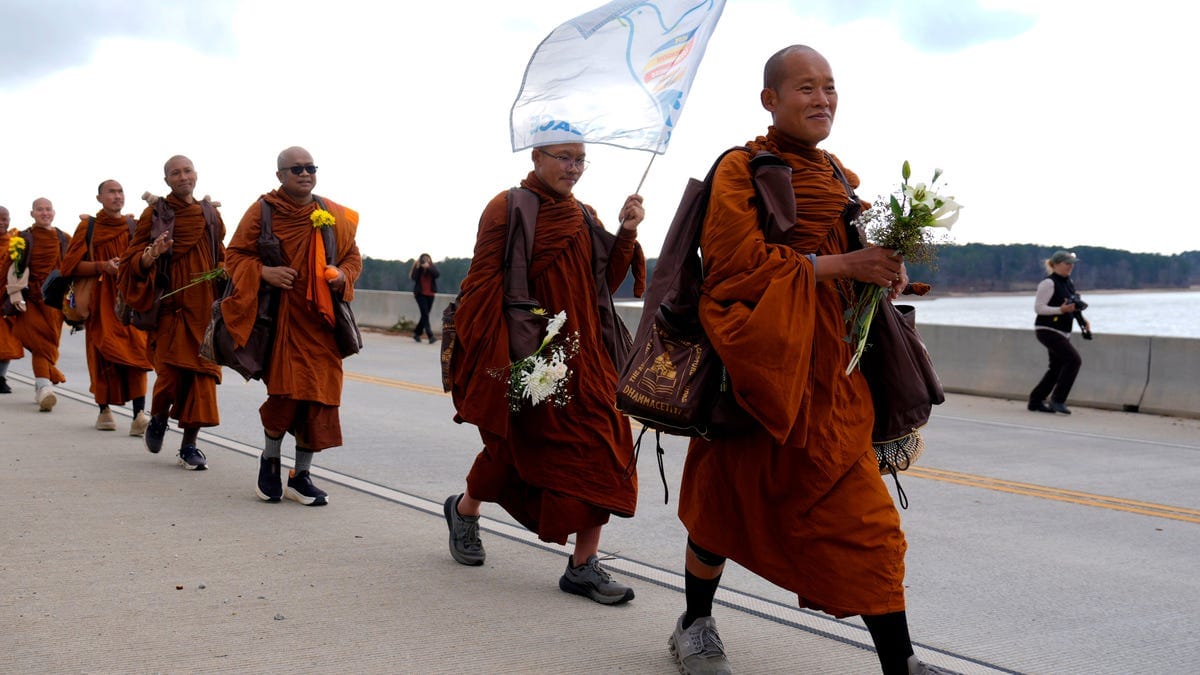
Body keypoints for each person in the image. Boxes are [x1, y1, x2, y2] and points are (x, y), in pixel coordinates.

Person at [668, 46, 951, 675]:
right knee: (722, 509)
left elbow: (844, 265)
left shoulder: (840, 178)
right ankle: (695, 623)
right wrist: (844, 265)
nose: (822, 98)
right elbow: (734, 271)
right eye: (805, 88)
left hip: (833, 385)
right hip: (759, 374)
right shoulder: (742, 169)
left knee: (870, 523)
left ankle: (900, 663)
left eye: (830, 87)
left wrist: (883, 273)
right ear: (770, 99)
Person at [444, 139, 645, 605]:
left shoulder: (584, 215)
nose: (573, 169)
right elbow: (481, 286)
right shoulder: (508, 208)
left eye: (580, 160)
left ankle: (582, 566)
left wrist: (626, 230)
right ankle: (464, 510)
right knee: (513, 451)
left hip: (586, 357)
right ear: (536, 158)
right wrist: (497, 364)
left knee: (607, 450)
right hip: (531, 356)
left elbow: (603, 284)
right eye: (564, 158)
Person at [223, 146, 362, 506]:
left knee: (319, 401)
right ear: (280, 176)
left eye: (310, 168)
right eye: (296, 169)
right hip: (283, 318)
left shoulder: (331, 213)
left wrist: (342, 276)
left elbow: (352, 256)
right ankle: (270, 460)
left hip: (323, 323)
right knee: (285, 397)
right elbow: (234, 255)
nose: (305, 174)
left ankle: (300, 476)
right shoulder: (264, 211)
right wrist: (264, 272)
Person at [117, 155, 225, 470]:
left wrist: (223, 271)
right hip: (171, 310)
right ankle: (159, 417)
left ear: (196, 175)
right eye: (175, 173)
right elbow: (131, 259)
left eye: (187, 170)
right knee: (170, 375)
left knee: (202, 379)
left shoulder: (210, 215)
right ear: (167, 181)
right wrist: (153, 254)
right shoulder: (156, 213)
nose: (182, 176)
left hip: (203, 310)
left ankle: (189, 446)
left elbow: (221, 252)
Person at [61, 180, 154, 434]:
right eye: (111, 192)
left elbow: (145, 261)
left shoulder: (133, 226)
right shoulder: (88, 227)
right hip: (99, 302)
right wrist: (103, 266)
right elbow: (69, 267)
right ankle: (104, 411)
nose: (117, 196)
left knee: (136, 354)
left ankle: (139, 415)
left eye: (120, 191)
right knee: (101, 355)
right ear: (99, 198)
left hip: (130, 301)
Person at [3, 198, 69, 411]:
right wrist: (13, 295)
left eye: (48, 209)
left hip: (55, 302)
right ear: (32, 213)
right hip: (30, 299)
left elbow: (75, 264)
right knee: (40, 344)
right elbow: (10, 268)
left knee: (49, 345)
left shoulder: (64, 238)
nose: (44, 213)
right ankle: (44, 387)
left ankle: (45, 383)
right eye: (40, 210)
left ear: (54, 212)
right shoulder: (22, 239)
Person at [1028, 250, 1089, 415]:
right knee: (1073, 360)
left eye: (1072, 264)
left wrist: (1083, 322)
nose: (1070, 267)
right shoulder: (1048, 283)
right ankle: (1058, 400)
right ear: (1055, 264)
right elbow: (1039, 308)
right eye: (1067, 263)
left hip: (1062, 331)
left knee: (1056, 367)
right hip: (1047, 330)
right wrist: (1061, 310)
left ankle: (1035, 400)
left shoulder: (1069, 282)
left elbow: (1072, 306)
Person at [0, 206, 25, 394]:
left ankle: (1, 377)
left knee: (6, 342)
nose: (2, 223)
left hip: (5, 299)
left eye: (5, 219)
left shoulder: (16, 243)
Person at [410, 253, 439, 343]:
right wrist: (419, 267)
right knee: (425, 314)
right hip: (420, 294)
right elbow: (413, 277)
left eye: (427, 259)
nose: (425, 260)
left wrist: (429, 267)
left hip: (430, 294)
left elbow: (437, 274)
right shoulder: (418, 268)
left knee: (425, 314)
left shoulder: (432, 267)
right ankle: (430, 336)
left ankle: (417, 333)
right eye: (424, 259)